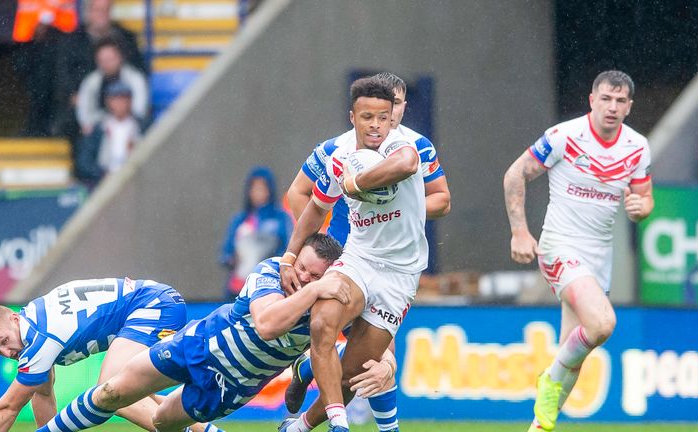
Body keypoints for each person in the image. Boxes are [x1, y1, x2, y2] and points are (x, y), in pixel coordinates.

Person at [34, 234, 347, 432]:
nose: (302, 277)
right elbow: (266, 324)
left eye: (314, 275)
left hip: (232, 386)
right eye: (302, 267)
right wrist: (315, 288)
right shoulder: (273, 270)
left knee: (161, 423)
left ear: (331, 275)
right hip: (199, 344)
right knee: (111, 391)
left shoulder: (328, 308)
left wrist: (384, 364)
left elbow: (363, 340)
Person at [284, 71, 451, 432]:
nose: (379, 122)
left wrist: (361, 184)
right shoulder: (335, 151)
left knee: (364, 368)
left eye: (388, 112)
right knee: (324, 324)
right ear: (353, 116)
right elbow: (305, 198)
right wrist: (302, 252)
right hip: (353, 256)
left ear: (396, 112)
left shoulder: (411, 146)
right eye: (368, 116)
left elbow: (424, 181)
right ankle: (351, 424)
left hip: (400, 271)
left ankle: (301, 411)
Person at [502, 70, 653, 432]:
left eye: (620, 101)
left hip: (599, 259)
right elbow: (514, 174)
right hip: (560, 248)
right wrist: (520, 232)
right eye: (606, 99)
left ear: (629, 107)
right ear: (592, 100)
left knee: (572, 355)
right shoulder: (564, 136)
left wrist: (641, 208)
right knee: (602, 324)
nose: (612, 107)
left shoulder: (637, 147)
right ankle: (548, 381)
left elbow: (645, 198)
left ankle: (538, 426)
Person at [0, 278, 190, 431]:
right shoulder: (32, 319)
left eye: (4, 341)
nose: (7, 352)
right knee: (131, 392)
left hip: (153, 305)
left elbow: (6, 409)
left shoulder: (38, 340)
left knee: (111, 392)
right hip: (158, 299)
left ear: (14, 319)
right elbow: (43, 393)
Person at [220, 166, 293, 299]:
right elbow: (226, 252)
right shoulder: (240, 220)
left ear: (270, 190)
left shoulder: (280, 218)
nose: (258, 192)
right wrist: (231, 259)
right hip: (237, 288)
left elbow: (287, 251)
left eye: (262, 188)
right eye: (254, 188)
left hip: (267, 287)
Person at [75, 38, 149, 138]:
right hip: (100, 128)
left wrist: (122, 122)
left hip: (131, 125)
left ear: (120, 57)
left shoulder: (134, 78)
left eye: (110, 59)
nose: (107, 64)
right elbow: (84, 111)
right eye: (102, 60)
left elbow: (140, 108)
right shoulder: (91, 82)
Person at [75, 80, 143, 186]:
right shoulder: (98, 128)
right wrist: (102, 174)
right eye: (116, 99)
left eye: (123, 99)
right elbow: (84, 163)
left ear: (130, 101)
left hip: (135, 178)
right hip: (104, 180)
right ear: (108, 101)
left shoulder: (141, 126)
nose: (120, 104)